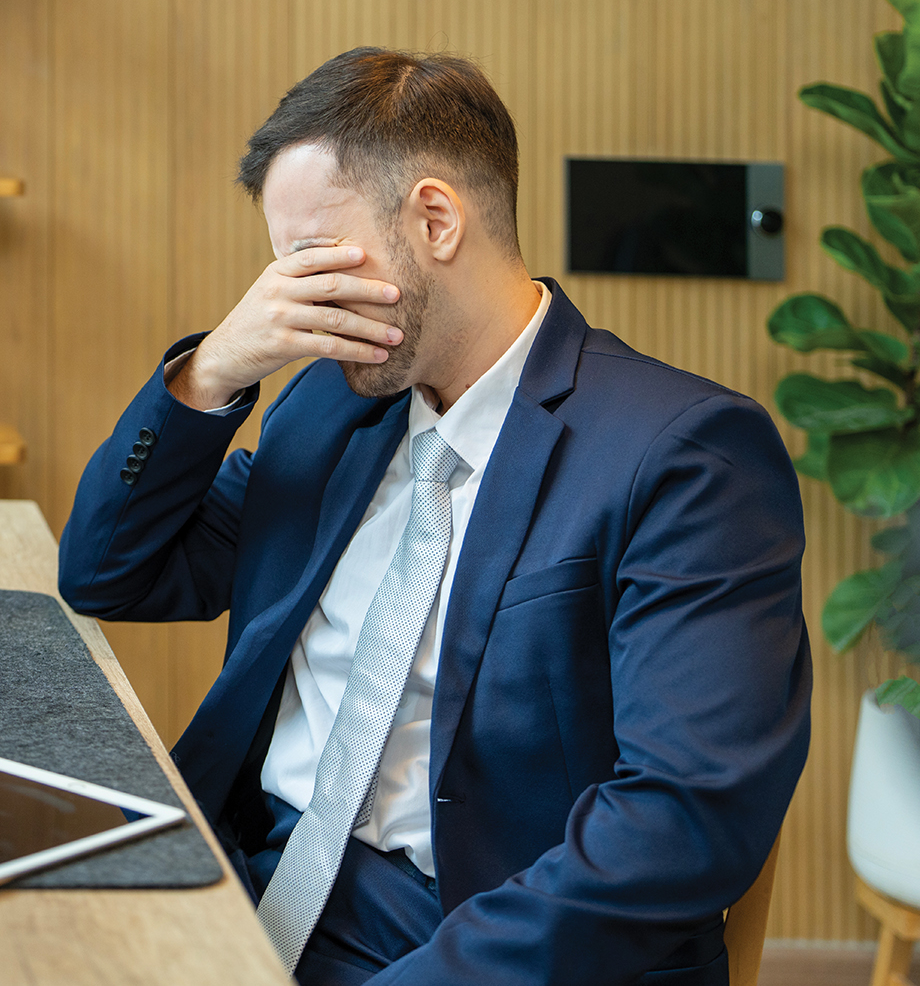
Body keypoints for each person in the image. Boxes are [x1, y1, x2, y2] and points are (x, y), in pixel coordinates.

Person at [58, 48, 811, 986]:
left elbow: (679, 822)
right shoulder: (329, 410)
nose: (284, 297)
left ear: (436, 219)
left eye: (309, 258)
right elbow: (107, 571)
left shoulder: (685, 454)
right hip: (248, 875)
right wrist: (214, 369)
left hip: (468, 939)